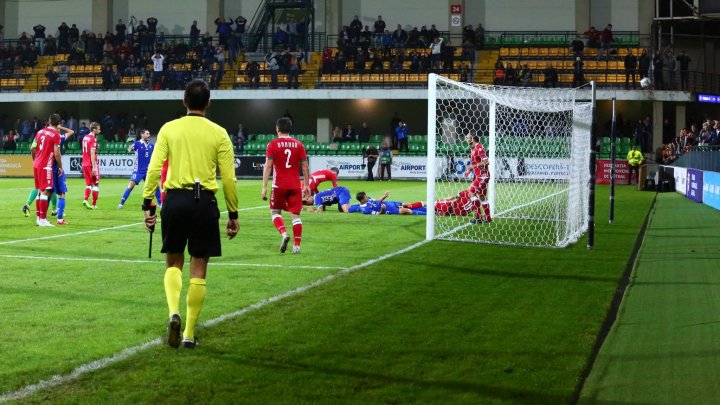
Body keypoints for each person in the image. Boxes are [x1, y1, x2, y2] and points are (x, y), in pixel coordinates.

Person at [142, 79, 239, 350]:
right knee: (199, 268)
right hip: (204, 203)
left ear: (184, 101)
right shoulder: (219, 133)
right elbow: (229, 178)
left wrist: (148, 203)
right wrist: (233, 212)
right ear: (208, 103)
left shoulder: (169, 129)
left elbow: (154, 169)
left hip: (173, 200)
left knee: (173, 263)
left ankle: (173, 311)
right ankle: (188, 333)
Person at [261, 117, 311, 254]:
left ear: (277, 129)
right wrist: (306, 185)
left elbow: (268, 166)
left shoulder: (272, 145)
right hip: (295, 186)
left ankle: (284, 233)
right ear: (290, 129)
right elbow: (305, 167)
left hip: (278, 186)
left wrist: (264, 187)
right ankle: (296, 246)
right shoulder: (299, 145)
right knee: (295, 215)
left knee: (275, 212)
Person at [31, 114, 64, 227]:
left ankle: (38, 218)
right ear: (58, 123)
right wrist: (60, 166)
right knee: (45, 191)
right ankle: (43, 220)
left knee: (40, 191)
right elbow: (56, 153)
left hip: (37, 164)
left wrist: (35, 160)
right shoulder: (56, 134)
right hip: (46, 165)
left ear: (49, 122)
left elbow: (32, 148)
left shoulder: (40, 132)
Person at [118, 129, 162, 209]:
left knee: (156, 186)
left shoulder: (151, 145)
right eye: (147, 134)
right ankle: (121, 203)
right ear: (142, 135)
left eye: (149, 134)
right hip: (138, 170)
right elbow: (130, 149)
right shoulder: (137, 144)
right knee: (131, 186)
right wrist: (130, 149)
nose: (148, 135)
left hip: (148, 170)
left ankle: (160, 203)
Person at [465, 132, 492, 223]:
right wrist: (469, 170)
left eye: (468, 138)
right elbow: (475, 164)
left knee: (471, 193)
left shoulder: (480, 148)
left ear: (472, 139)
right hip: (479, 176)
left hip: (483, 176)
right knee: (482, 197)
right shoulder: (473, 149)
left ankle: (479, 217)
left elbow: (486, 162)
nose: (466, 139)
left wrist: (472, 167)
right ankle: (488, 218)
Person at [81, 122, 101, 209]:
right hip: (91, 163)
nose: (100, 130)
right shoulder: (93, 139)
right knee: (96, 184)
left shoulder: (85, 137)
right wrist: (94, 166)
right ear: (94, 129)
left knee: (89, 184)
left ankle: (85, 200)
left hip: (84, 163)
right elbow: (92, 153)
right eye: (98, 128)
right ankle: (93, 204)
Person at [354, 191, 423, 215]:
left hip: (389, 204)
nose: (367, 197)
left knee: (408, 205)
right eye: (365, 197)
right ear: (362, 200)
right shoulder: (365, 210)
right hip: (388, 210)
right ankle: (426, 214)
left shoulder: (367, 199)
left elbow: (377, 200)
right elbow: (377, 214)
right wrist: (382, 209)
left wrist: (385, 196)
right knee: (406, 210)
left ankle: (428, 209)